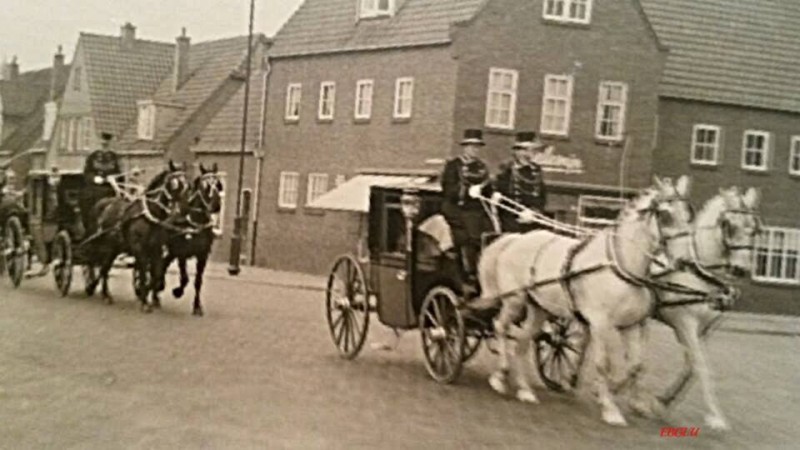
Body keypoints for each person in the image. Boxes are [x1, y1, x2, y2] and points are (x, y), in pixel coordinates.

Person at [440, 129, 493, 291]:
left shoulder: (482, 167)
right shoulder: (453, 166)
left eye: (477, 147)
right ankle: (468, 275)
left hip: (478, 211)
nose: (474, 150)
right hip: (457, 210)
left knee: (491, 235)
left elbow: (488, 191)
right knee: (469, 237)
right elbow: (447, 189)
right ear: (465, 148)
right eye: (471, 147)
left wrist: (492, 194)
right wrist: (464, 191)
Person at [493, 131, 548, 233]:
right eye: (527, 150)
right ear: (518, 152)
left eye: (532, 150)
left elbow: (542, 196)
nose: (530, 154)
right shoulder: (507, 170)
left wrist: (534, 212)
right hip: (511, 220)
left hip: (532, 218)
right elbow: (501, 195)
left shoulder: (536, 170)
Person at [80, 132, 122, 238]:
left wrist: (116, 180)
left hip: (110, 188)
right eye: (103, 142)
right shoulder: (93, 157)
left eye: (107, 142)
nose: (105, 144)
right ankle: (90, 227)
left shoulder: (114, 157)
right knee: (87, 198)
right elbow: (87, 173)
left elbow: (119, 174)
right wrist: (95, 178)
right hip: (95, 188)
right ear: (100, 142)